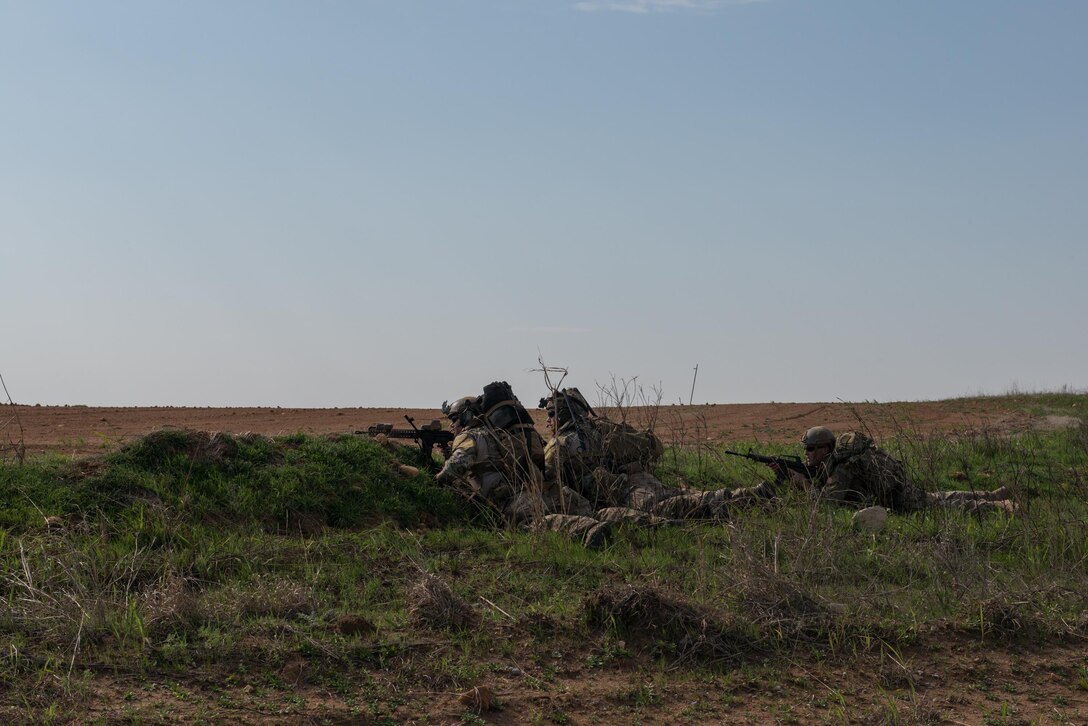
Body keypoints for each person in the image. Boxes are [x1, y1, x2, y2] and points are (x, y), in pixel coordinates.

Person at [537, 388, 734, 524]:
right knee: (679, 494)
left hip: (618, 493)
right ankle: (734, 497)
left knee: (662, 508)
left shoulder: (559, 445)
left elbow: (548, 482)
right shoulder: (601, 430)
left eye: (551, 414)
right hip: (634, 481)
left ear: (562, 414)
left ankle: (717, 500)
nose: (548, 421)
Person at [758, 426, 1013, 514]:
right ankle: (994, 494)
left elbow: (825, 504)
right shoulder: (835, 463)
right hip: (898, 492)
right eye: (806, 449)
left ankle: (1001, 506)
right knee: (941, 497)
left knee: (946, 506)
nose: (807, 454)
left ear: (826, 449)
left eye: (812, 449)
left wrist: (801, 482)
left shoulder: (843, 468)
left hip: (900, 501)